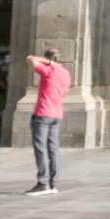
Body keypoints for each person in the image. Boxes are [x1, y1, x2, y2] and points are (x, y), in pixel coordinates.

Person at [24, 48, 71, 196]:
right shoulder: (66, 73)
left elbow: (30, 58)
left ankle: (43, 183)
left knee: (41, 148)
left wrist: (48, 62)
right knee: (53, 149)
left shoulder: (49, 70)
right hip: (57, 114)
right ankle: (53, 183)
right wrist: (53, 62)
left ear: (47, 59)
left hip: (43, 113)